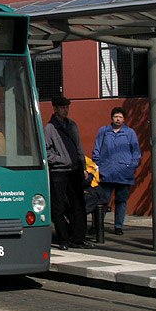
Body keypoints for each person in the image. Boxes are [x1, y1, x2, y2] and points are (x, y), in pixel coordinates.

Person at [44, 96, 92, 250]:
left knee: (79, 204)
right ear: (55, 108)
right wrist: (59, 159)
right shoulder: (50, 128)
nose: (65, 110)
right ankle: (63, 239)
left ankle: (78, 238)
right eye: (62, 107)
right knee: (58, 206)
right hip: (59, 171)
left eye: (67, 107)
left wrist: (82, 166)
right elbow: (45, 151)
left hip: (74, 170)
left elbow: (79, 147)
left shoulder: (72, 125)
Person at [92, 107, 141, 235]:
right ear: (111, 118)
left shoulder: (130, 133)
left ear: (124, 119)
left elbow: (136, 152)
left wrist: (131, 166)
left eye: (120, 117)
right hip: (106, 173)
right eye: (115, 116)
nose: (117, 119)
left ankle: (118, 226)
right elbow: (96, 149)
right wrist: (99, 165)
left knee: (121, 201)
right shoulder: (104, 131)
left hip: (124, 173)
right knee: (102, 201)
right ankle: (97, 225)